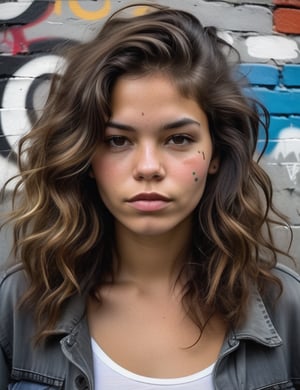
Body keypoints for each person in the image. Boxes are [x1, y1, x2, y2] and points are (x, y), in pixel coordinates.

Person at [0, 3, 299, 389]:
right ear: (86, 156)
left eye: (178, 139)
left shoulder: (287, 309)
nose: (148, 167)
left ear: (216, 154)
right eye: (117, 140)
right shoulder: (19, 305)